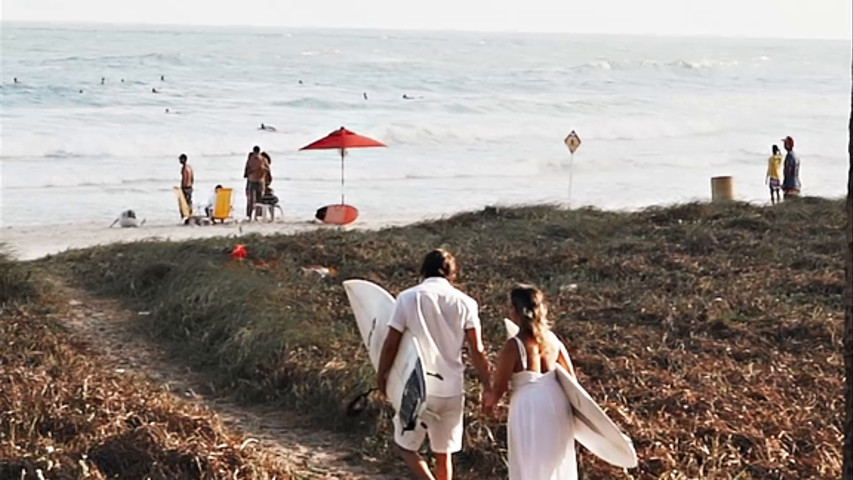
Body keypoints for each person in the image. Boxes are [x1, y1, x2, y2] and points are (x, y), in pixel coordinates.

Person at [377, 249, 491, 480]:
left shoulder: (408, 298)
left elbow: (391, 344)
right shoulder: (467, 303)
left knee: (406, 446)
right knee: (443, 455)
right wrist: (488, 386)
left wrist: (382, 375)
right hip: (452, 388)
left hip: (417, 386)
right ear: (452, 273)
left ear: (423, 270)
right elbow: (477, 350)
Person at [483, 284, 577, 480]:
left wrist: (488, 404)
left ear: (517, 311)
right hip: (556, 401)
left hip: (529, 406)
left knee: (531, 460)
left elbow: (499, 387)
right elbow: (571, 377)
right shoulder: (553, 340)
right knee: (553, 460)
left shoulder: (514, 345)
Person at [243, 146, 269, 218]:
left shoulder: (262, 159)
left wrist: (262, 169)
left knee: (257, 199)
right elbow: (247, 170)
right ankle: (250, 215)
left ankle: (256, 215)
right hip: (254, 180)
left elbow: (267, 169)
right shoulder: (252, 159)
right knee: (252, 199)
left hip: (257, 180)